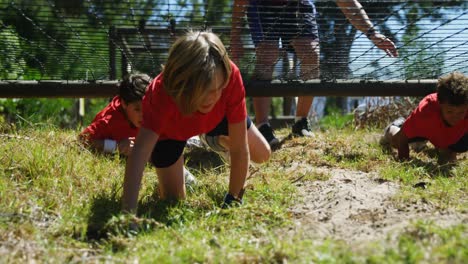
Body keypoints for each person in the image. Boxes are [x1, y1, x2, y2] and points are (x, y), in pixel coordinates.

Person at [121, 30, 271, 213]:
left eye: (219, 88)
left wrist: (233, 199)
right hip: (172, 133)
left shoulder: (231, 77)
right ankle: (186, 162)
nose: (214, 97)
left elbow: (239, 148)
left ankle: (211, 138)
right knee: (173, 201)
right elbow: (140, 153)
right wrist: (128, 213)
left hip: (217, 120)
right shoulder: (159, 94)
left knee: (263, 155)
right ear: (183, 84)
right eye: (206, 90)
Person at [231, 0, 398, 147]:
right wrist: (235, 35)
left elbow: (347, 2)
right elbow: (241, 2)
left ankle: (301, 122)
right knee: (268, 53)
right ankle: (262, 126)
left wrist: (372, 33)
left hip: (298, 6)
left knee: (311, 54)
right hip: (262, 4)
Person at [380, 72, 468, 163]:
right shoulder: (426, 112)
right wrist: (404, 161)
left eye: (461, 112)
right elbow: (402, 138)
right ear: (440, 104)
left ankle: (442, 147)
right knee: (396, 141)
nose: (456, 117)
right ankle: (394, 127)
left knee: (454, 152)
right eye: (450, 111)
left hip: (448, 133)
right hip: (424, 129)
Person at [79, 73, 150, 156]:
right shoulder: (109, 121)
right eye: (137, 109)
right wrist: (116, 146)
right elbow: (82, 140)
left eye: (147, 108)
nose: (143, 114)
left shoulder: (153, 112)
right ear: (124, 104)